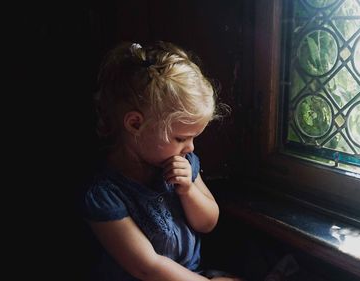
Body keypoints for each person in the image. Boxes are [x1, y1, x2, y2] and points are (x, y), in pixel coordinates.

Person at [81, 41, 241, 281]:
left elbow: (208, 222)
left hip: (191, 274)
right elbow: (148, 267)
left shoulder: (183, 162)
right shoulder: (104, 194)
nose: (191, 147)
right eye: (180, 138)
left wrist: (188, 191)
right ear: (136, 124)